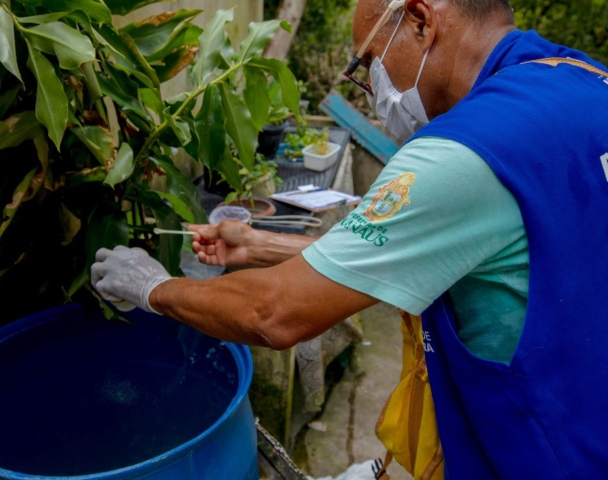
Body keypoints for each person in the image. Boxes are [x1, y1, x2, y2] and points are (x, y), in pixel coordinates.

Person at [91, 0, 608, 477]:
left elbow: (275, 312)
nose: (373, 89)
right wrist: (258, 245)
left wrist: (153, 287)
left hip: (544, 452)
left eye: (368, 64)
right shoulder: (584, 81)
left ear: (421, 21)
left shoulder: (465, 151)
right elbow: (458, 246)